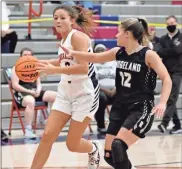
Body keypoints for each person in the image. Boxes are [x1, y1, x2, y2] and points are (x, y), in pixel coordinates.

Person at [60, 17, 172, 169]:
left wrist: (163, 102)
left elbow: (166, 79)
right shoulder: (118, 52)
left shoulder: (148, 55)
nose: (115, 35)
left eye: (118, 32)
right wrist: (73, 53)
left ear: (128, 34)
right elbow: (94, 57)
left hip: (139, 108)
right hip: (120, 106)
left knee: (118, 146)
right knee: (109, 155)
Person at [31, 5, 100, 169]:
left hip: (85, 93)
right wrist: (41, 65)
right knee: (47, 135)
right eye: (55, 17)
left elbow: (83, 67)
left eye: (62, 17)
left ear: (72, 20)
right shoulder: (63, 40)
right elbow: (62, 61)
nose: (58, 20)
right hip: (65, 92)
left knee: (72, 144)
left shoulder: (78, 37)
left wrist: (54, 70)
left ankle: (93, 148)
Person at [11, 47, 57, 139]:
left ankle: (49, 122)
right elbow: (15, 85)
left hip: (34, 91)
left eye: (29, 55)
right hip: (22, 92)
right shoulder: (16, 68)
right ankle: (28, 130)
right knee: (30, 101)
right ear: (20, 57)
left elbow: (39, 83)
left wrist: (38, 90)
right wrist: (29, 92)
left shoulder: (34, 68)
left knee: (56, 96)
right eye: (25, 55)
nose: (27, 57)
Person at [157, 15, 182, 134]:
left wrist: (166, 51)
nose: (171, 25)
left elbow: (178, 51)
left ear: (176, 23)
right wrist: (171, 50)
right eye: (168, 23)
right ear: (166, 25)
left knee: (172, 98)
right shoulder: (163, 39)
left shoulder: (181, 37)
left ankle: (164, 123)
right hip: (166, 73)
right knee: (169, 99)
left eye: (172, 22)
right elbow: (158, 51)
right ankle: (177, 125)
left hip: (178, 72)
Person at [94, 44, 116, 134]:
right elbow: (93, 82)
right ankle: (101, 126)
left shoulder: (113, 63)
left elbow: (120, 77)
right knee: (101, 98)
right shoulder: (93, 64)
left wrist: (116, 88)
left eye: (102, 50)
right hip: (100, 91)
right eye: (98, 50)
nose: (100, 52)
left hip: (114, 90)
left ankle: (117, 124)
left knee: (123, 95)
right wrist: (106, 90)